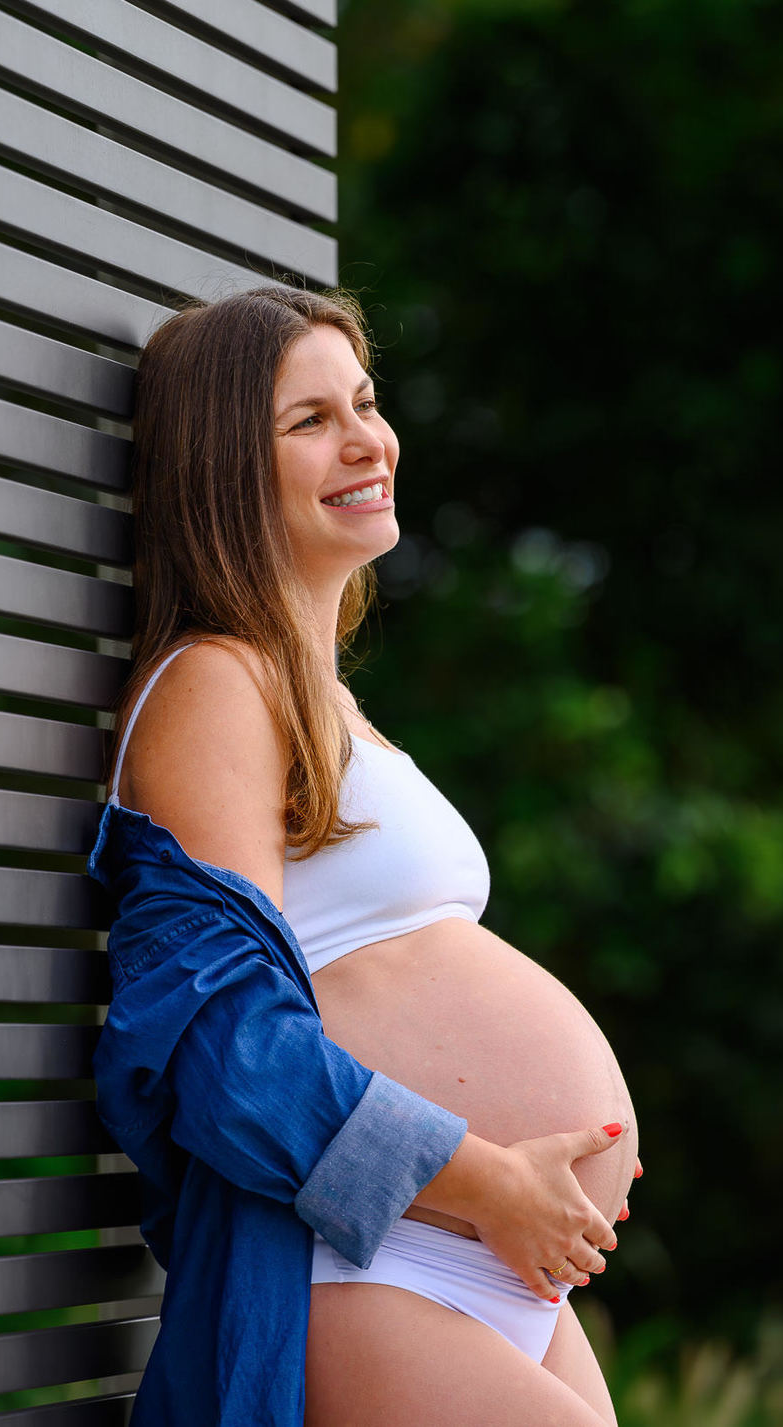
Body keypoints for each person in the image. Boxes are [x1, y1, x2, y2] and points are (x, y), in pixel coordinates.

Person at [88, 284, 640, 1427]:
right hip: (365, 1256)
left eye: (367, 402)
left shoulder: (324, 699)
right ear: (223, 470)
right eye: (311, 420)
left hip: (463, 1251)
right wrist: (489, 1180)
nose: (367, 439)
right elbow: (221, 1043)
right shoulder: (213, 685)